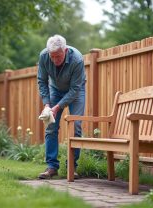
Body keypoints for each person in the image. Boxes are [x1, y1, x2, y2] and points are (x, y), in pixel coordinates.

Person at [37, 34, 86, 179]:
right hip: (55, 89)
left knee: (76, 125)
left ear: (65, 51)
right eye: (52, 56)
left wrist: (57, 106)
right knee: (51, 125)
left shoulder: (77, 59)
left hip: (76, 90)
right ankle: (52, 167)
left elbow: (75, 89)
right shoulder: (44, 56)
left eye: (58, 56)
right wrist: (47, 104)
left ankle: (72, 166)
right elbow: (42, 81)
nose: (55, 60)